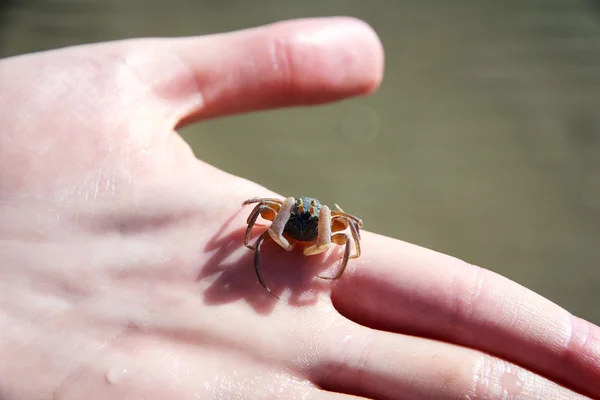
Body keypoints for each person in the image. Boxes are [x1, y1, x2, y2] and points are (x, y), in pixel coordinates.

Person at [0, 17, 597, 400]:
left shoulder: (329, 224)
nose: (315, 215)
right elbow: (251, 227)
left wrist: (337, 263)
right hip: (284, 239)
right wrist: (254, 254)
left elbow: (338, 230)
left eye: (320, 215)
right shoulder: (275, 217)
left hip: (302, 246)